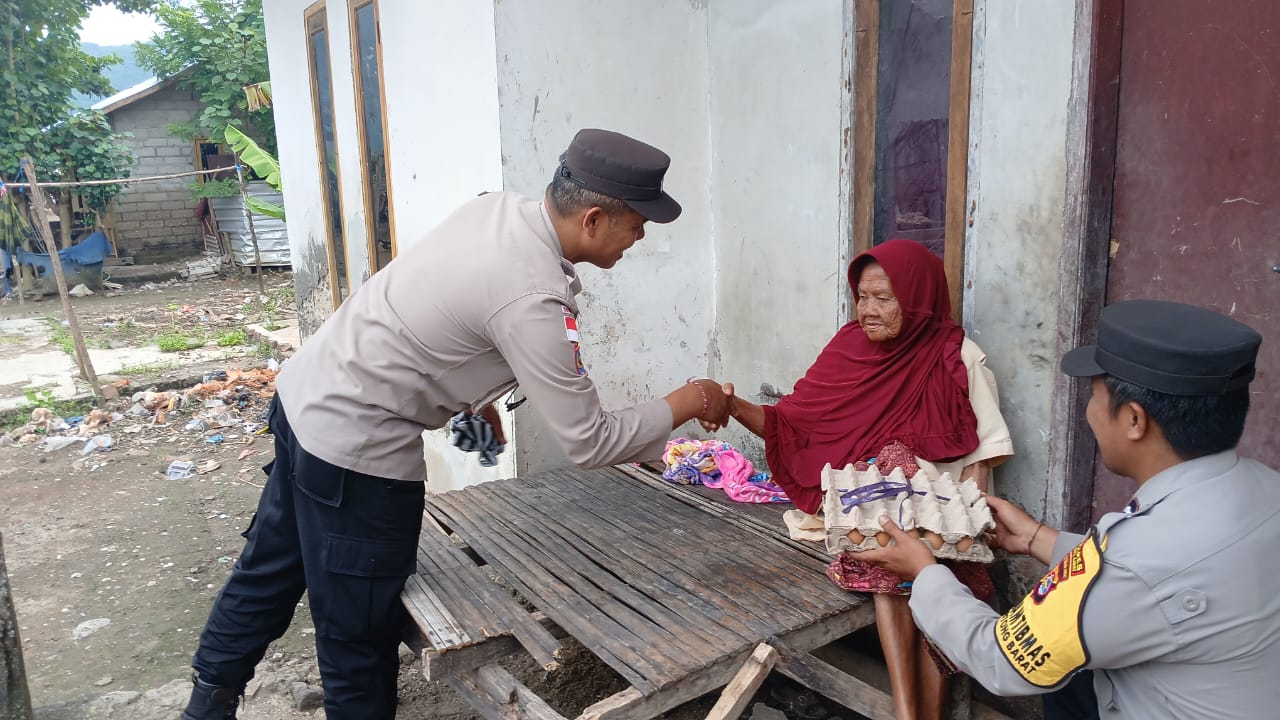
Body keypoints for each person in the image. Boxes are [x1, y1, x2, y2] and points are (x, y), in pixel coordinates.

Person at [180, 128, 732, 720]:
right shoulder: (533, 299)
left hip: (305, 396)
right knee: (357, 632)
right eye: (638, 224)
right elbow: (589, 440)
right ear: (594, 219)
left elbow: (444, 313)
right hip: (355, 449)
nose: (641, 237)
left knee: (270, 568)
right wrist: (691, 399)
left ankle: (206, 706)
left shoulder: (497, 210)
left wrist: (476, 398)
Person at [861, 299, 1279, 719]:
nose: (1089, 413)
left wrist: (925, 574)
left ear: (1134, 421)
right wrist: (1035, 539)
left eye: (1094, 396)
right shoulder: (1265, 487)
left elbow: (1001, 660)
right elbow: (1148, 579)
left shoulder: (1138, 561)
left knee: (1057, 667)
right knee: (1074, 672)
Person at [715, 239, 1013, 720]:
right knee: (885, 546)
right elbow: (792, 422)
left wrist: (968, 528)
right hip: (873, 514)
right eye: (862, 297)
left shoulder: (957, 357)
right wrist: (731, 406)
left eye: (883, 299)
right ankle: (907, 711)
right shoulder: (849, 348)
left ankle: (920, 713)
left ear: (917, 299)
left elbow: (982, 460)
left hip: (939, 518)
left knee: (929, 562)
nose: (868, 310)